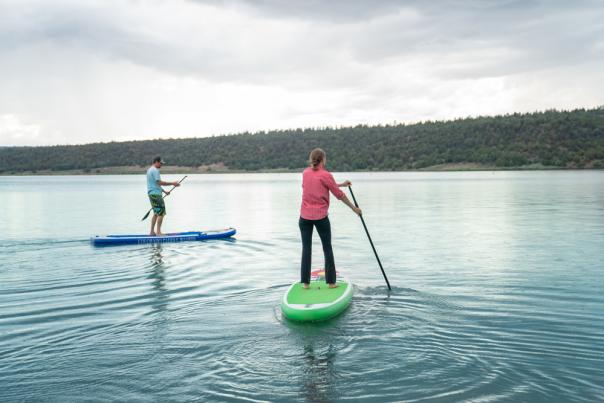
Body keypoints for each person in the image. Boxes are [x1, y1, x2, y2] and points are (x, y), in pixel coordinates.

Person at [299, 148, 361, 289]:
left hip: (304, 218)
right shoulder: (326, 175)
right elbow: (339, 195)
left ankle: (306, 284)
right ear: (323, 160)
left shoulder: (305, 173)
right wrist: (354, 208)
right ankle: (332, 283)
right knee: (327, 248)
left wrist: (340, 184)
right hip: (320, 218)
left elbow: (317, 184)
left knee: (306, 249)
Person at [147, 156, 180, 236]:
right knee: (161, 213)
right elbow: (159, 182)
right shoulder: (155, 170)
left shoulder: (149, 170)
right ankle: (158, 232)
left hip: (152, 193)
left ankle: (152, 232)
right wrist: (173, 183)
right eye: (160, 163)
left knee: (156, 213)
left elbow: (155, 184)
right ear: (156, 162)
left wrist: (164, 191)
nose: (161, 165)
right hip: (156, 195)